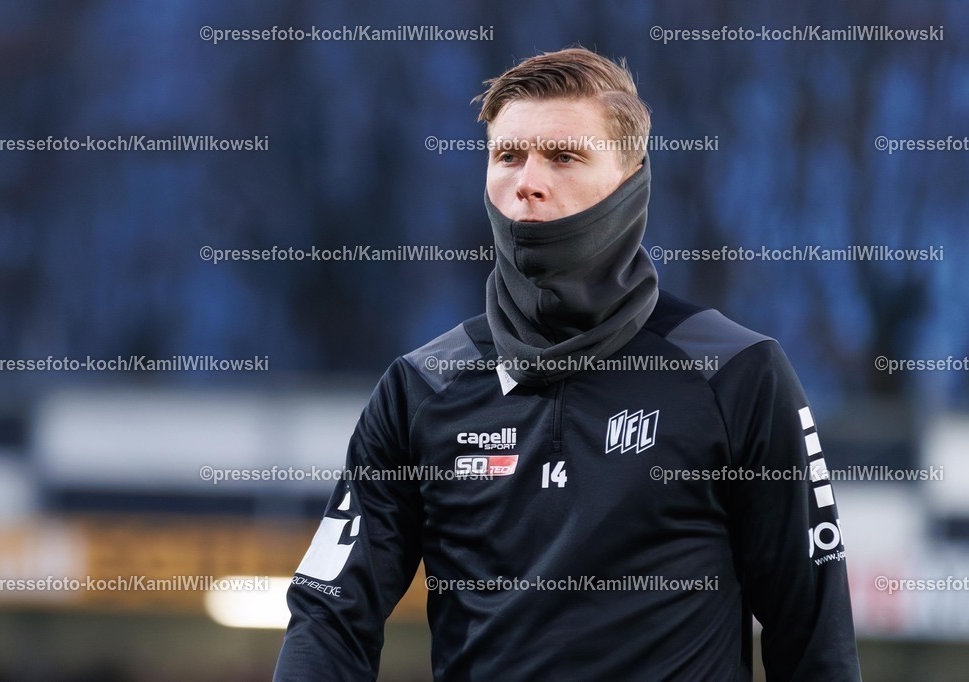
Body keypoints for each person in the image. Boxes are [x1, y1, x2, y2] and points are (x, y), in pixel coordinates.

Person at [273, 47, 861, 681]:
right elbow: (329, 615)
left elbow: (815, 643)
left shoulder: (738, 374)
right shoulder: (421, 389)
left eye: (564, 155)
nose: (528, 179)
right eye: (507, 155)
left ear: (631, 176)